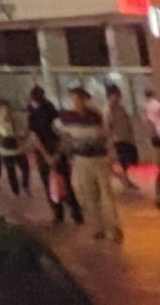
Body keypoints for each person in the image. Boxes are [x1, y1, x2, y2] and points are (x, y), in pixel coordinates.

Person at [57, 87, 121, 241]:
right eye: (73, 99)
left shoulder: (96, 115)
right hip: (81, 159)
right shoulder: (67, 118)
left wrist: (111, 155)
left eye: (79, 99)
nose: (76, 102)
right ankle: (97, 227)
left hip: (99, 159)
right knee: (89, 195)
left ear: (86, 99)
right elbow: (63, 136)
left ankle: (112, 228)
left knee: (106, 194)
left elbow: (106, 135)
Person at [27, 87, 77, 223]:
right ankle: (75, 213)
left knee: (52, 184)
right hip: (54, 152)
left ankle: (59, 215)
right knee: (65, 183)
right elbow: (61, 134)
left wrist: (48, 156)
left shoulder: (35, 114)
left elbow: (35, 137)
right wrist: (56, 154)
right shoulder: (51, 111)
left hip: (47, 152)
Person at [0, 97, 29, 198]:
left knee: (25, 168)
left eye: (7, 109)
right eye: (3, 109)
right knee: (11, 171)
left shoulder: (16, 119)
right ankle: (16, 191)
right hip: (5, 150)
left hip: (18, 148)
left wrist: (21, 137)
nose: (6, 112)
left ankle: (25, 185)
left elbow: (24, 131)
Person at [106, 86, 141, 177]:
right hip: (118, 142)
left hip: (128, 140)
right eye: (114, 96)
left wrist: (133, 138)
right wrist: (111, 144)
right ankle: (127, 179)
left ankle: (130, 179)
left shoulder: (122, 109)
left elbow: (129, 125)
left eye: (118, 96)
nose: (116, 98)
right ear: (109, 97)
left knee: (133, 163)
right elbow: (108, 128)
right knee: (124, 164)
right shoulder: (108, 111)